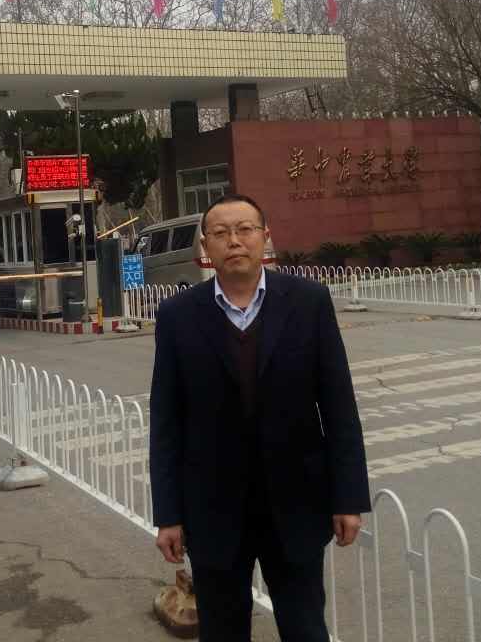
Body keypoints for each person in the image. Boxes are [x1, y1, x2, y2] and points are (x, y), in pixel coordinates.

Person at [149, 193, 369, 642]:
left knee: (305, 627)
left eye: (245, 229)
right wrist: (168, 515)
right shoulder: (177, 316)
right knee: (222, 630)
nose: (234, 241)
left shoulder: (308, 302)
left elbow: (339, 406)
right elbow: (167, 422)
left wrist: (348, 498)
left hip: (295, 504)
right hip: (213, 511)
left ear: (265, 236)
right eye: (220, 233)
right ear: (205, 247)